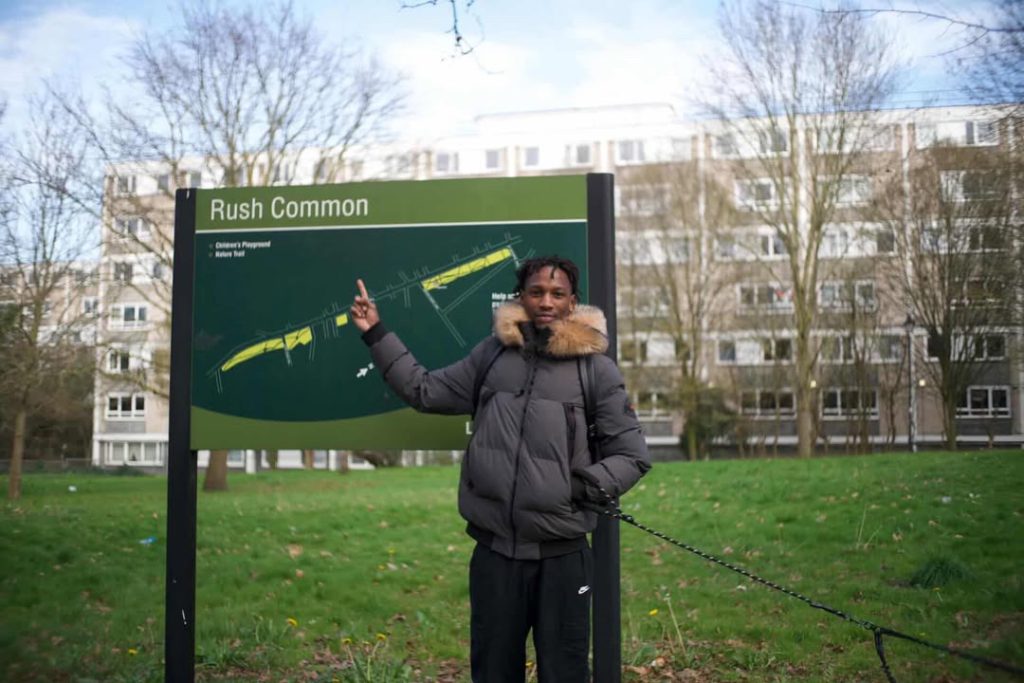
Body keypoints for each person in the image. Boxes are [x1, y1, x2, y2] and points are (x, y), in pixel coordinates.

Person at [350, 256, 650, 683]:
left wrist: (588, 485)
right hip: (494, 555)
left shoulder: (595, 370)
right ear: (521, 297)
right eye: (536, 292)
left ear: (572, 302)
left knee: (564, 672)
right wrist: (376, 333)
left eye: (557, 293)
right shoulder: (491, 356)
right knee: (492, 671)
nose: (546, 301)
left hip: (562, 557)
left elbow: (632, 453)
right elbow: (425, 390)